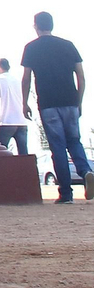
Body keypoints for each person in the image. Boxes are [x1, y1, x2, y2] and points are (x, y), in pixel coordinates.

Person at [20, 12, 89, 203]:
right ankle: (86, 172)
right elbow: (81, 76)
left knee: (57, 146)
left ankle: (66, 194)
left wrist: (24, 102)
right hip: (70, 102)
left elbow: (26, 78)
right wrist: (79, 101)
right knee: (74, 141)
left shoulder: (31, 48)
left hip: (48, 104)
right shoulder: (68, 45)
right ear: (52, 25)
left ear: (36, 26)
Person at [0, 57, 29, 157]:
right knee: (23, 154)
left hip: (6, 122)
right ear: (9, 67)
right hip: (21, 121)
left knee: (1, 154)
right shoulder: (17, 80)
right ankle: (25, 172)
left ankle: (3, 172)